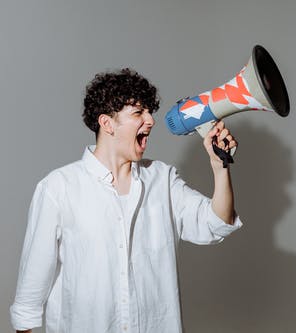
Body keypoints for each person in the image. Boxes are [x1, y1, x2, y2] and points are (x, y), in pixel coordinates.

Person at [10, 68, 242, 333]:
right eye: (138, 113)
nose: (151, 121)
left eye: (149, 112)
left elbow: (217, 223)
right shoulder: (58, 188)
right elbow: (28, 301)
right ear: (107, 123)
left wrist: (219, 165)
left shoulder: (163, 179)